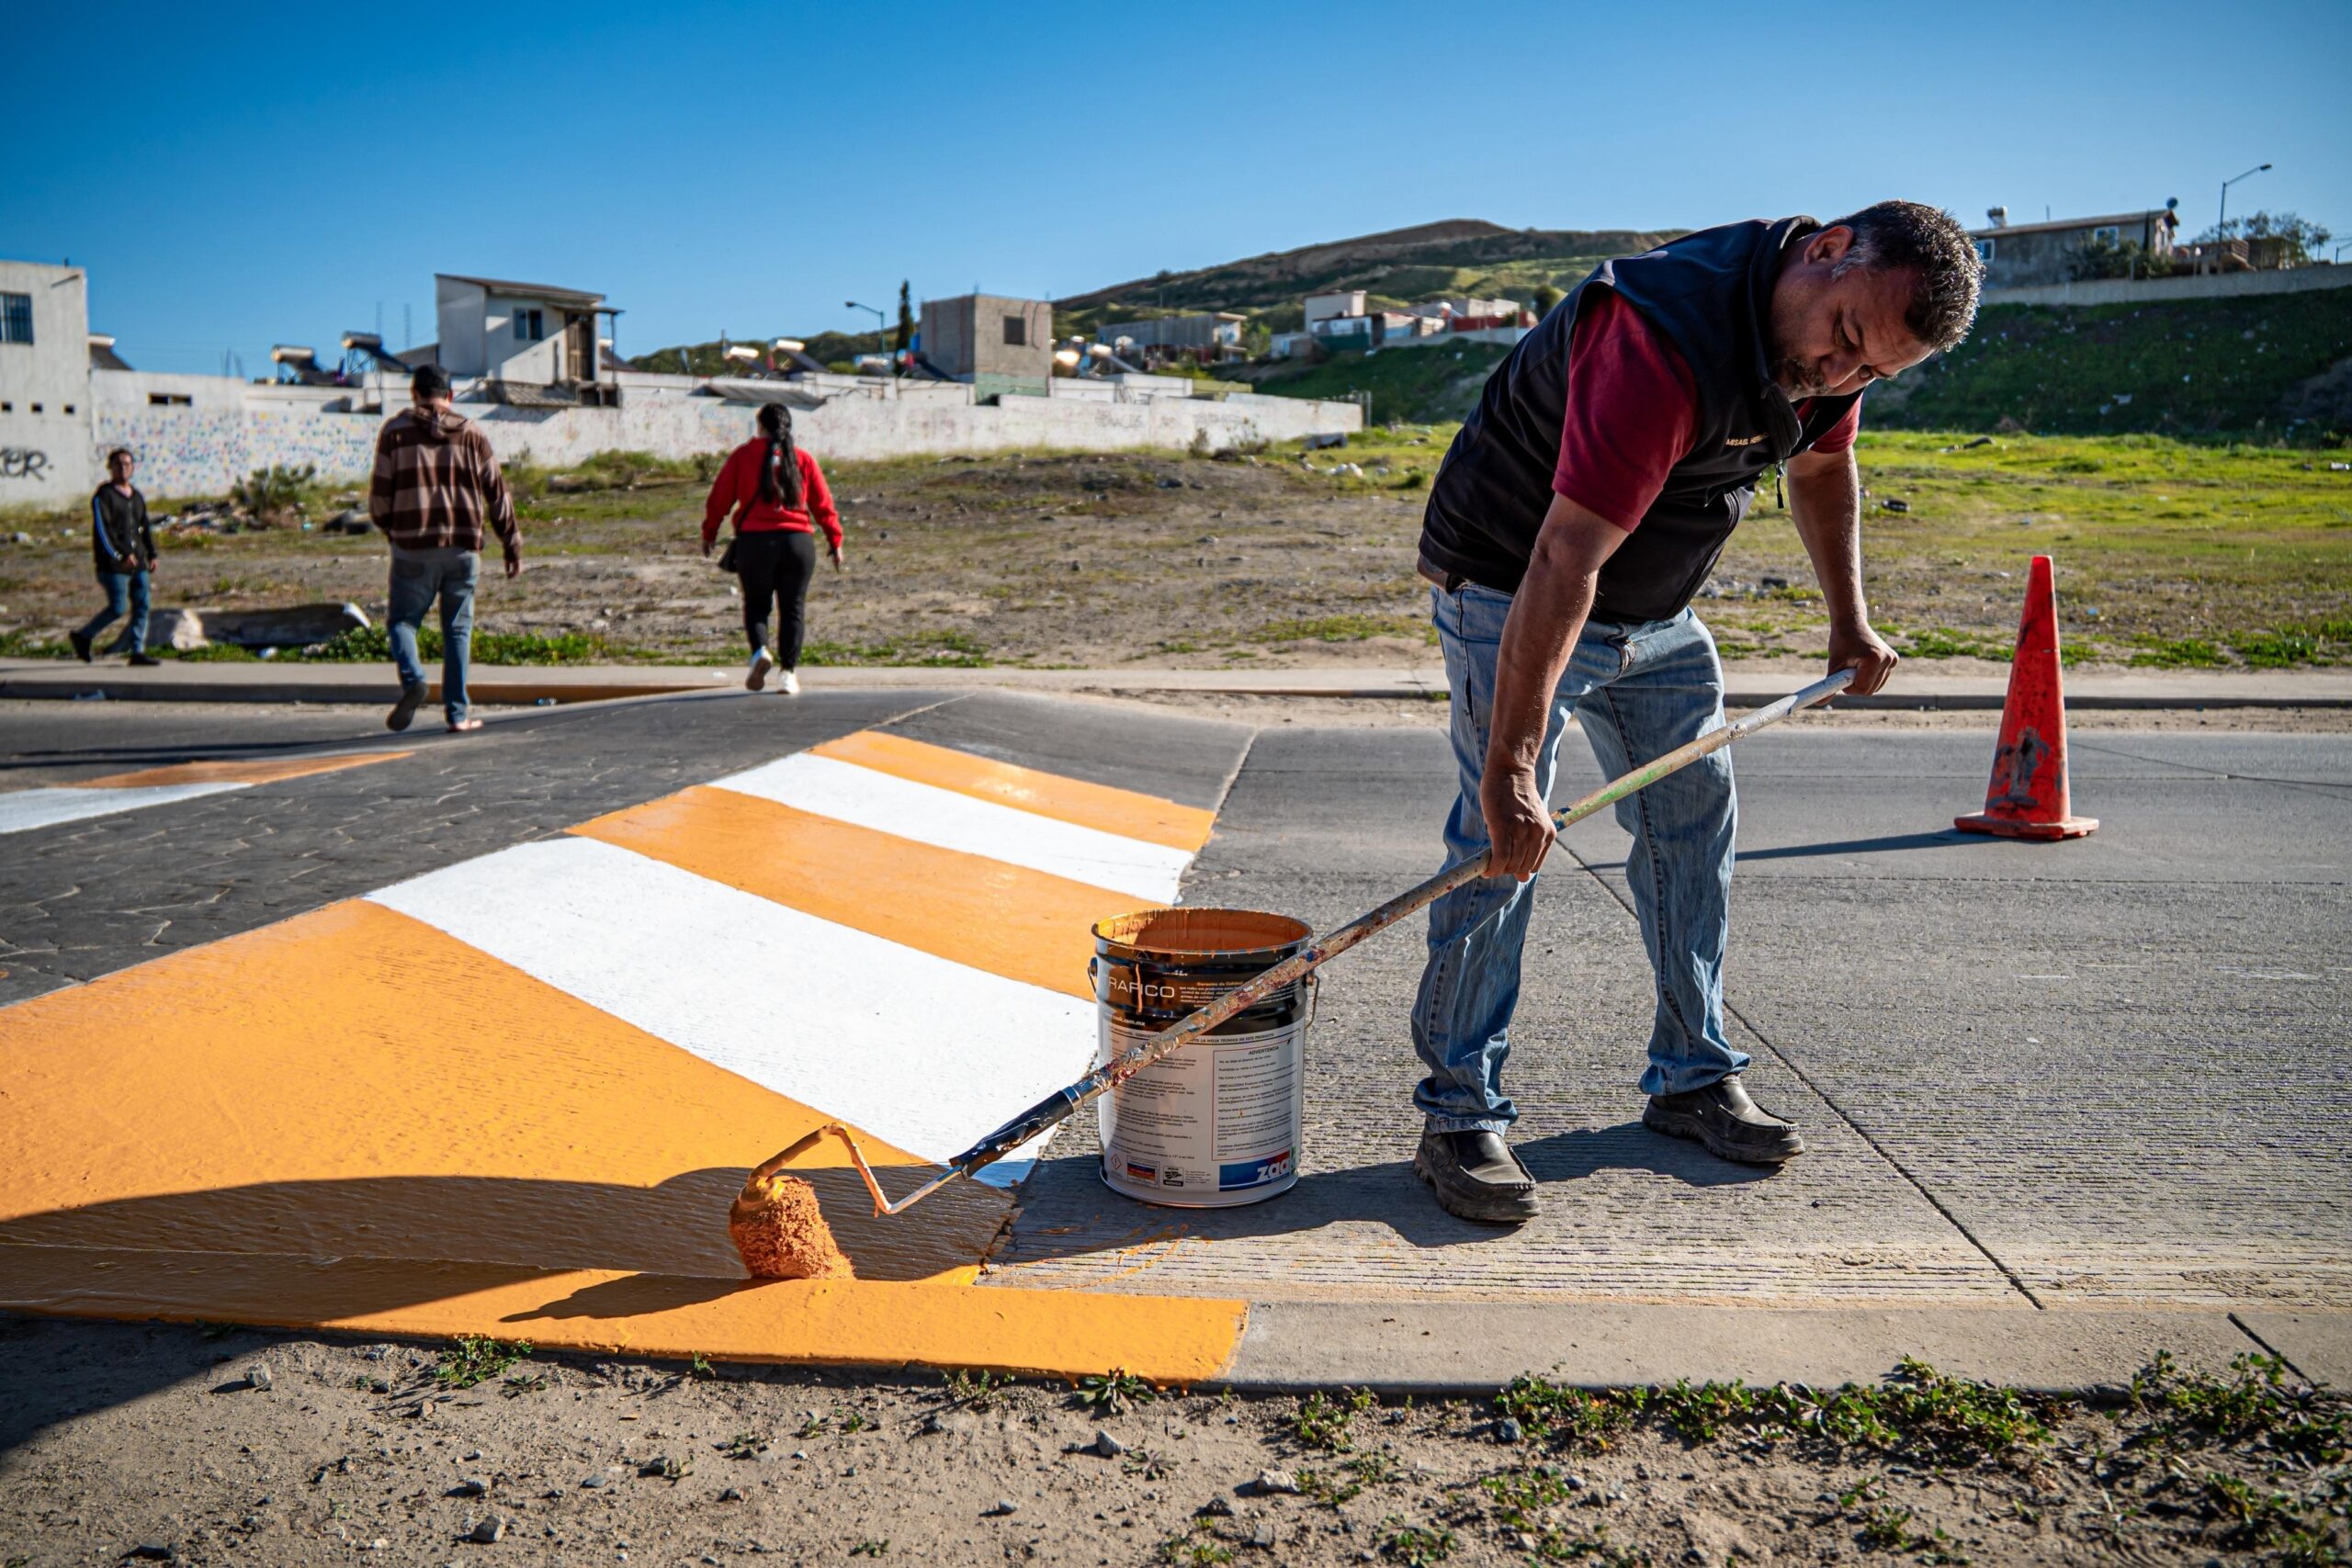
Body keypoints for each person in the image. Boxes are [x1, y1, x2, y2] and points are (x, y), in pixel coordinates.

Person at [1408, 202, 1984, 1224]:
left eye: (1871, 374)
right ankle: (1458, 1113)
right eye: (1845, 340)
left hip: (1653, 611)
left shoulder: (1829, 357)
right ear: (1822, 252)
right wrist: (1511, 769)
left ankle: (1691, 1076)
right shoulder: (1658, 338)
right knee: (1499, 849)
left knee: (1692, 828)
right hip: (1512, 582)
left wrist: (1849, 625)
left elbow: (1822, 466)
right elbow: (1563, 556)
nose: (1840, 376)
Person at [368, 364, 521, 733]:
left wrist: (390, 529)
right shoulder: (472, 433)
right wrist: (511, 543)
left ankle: (414, 679)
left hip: (412, 548)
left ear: (414, 393)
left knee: (403, 622)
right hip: (463, 547)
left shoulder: (394, 432)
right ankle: (457, 714)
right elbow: (497, 494)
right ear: (449, 396)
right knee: (457, 629)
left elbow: (380, 497)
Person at [701, 402, 842, 695]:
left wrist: (710, 532)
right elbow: (822, 504)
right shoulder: (802, 458)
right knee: (793, 609)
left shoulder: (743, 456)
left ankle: (760, 653)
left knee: (757, 605)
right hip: (798, 543)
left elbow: (720, 498)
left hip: (756, 542)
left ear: (760, 426)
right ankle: (788, 674)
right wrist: (835, 540)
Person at [71, 448, 161, 667]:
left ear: (133, 467)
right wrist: (120, 554)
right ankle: (84, 636)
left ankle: (137, 651)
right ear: (110, 467)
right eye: (118, 464)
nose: (123, 468)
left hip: (137, 561)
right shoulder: (104, 495)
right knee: (118, 607)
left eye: (127, 464)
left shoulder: (136, 496)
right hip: (112, 565)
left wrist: (152, 553)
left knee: (143, 605)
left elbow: (143, 527)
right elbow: (104, 531)